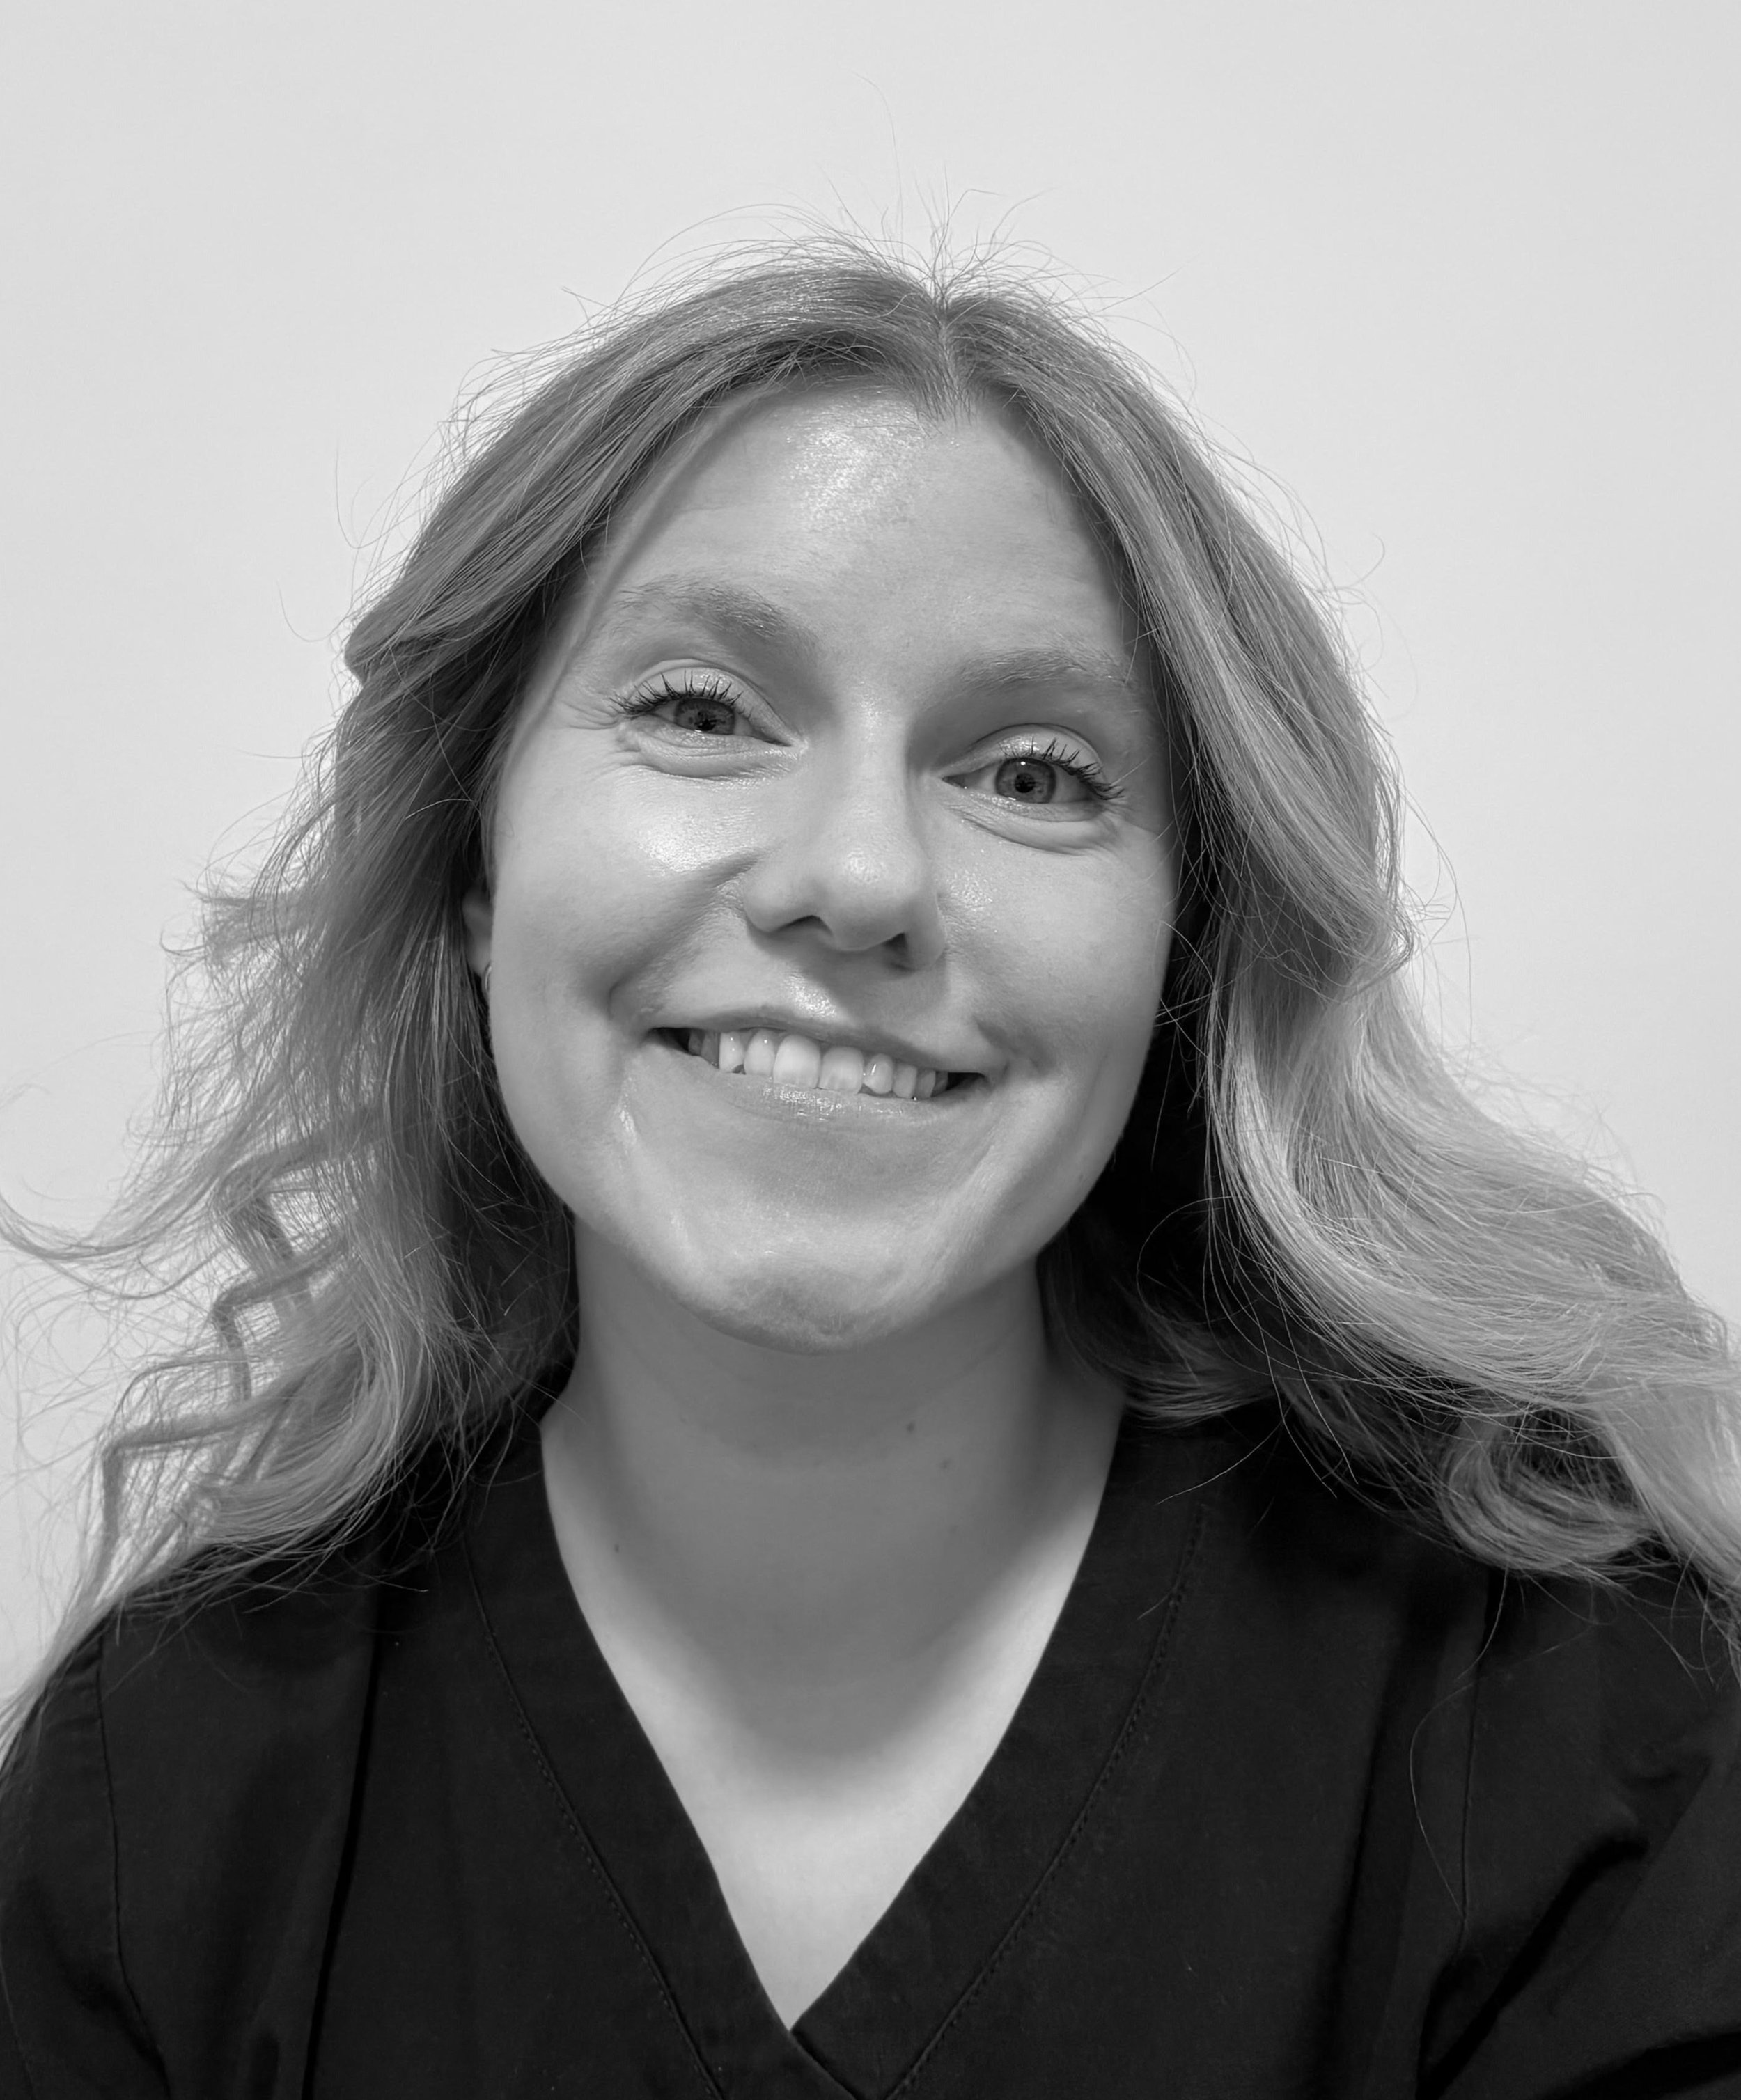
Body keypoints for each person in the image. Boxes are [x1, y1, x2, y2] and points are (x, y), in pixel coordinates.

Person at [2, 237, 1738, 2099]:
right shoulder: (169, 1800)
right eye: (698, 710)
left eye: (1034, 772)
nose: (859, 877)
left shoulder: (1551, 1714)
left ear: (1186, 946)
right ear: (472, 867)